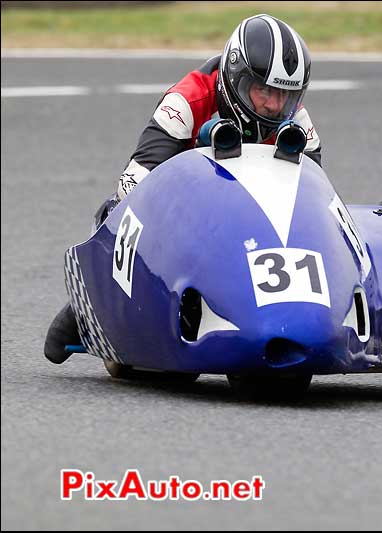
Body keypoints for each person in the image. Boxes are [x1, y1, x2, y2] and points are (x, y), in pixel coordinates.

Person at [44, 14, 321, 364]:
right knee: (115, 211)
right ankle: (90, 304)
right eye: (264, 90)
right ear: (237, 78)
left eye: (286, 94)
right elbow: (132, 184)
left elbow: (310, 200)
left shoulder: (297, 122)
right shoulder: (186, 102)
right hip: (185, 216)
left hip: (256, 222)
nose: (274, 105)